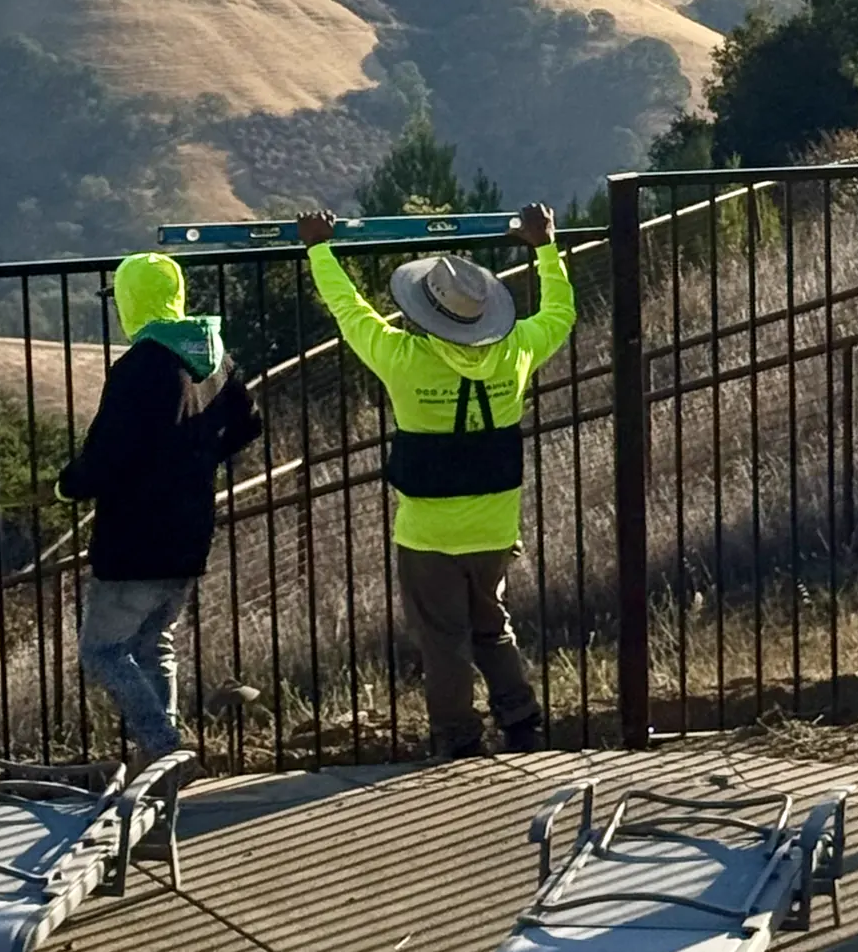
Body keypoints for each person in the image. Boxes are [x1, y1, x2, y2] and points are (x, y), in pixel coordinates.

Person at [297, 203, 576, 757]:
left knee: (443, 640)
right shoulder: (516, 351)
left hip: (427, 534)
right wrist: (545, 246)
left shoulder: (401, 358)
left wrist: (319, 249)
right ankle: (521, 721)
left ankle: (458, 739)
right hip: (495, 526)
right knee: (491, 626)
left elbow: (350, 312)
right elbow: (561, 313)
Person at [58, 251, 260, 764]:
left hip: (134, 536)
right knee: (155, 644)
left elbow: (109, 453)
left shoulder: (140, 366)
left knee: (102, 650)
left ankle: (164, 745)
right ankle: (161, 764)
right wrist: (196, 453)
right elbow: (247, 424)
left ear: (134, 301)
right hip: (190, 529)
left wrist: (70, 485)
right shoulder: (214, 357)